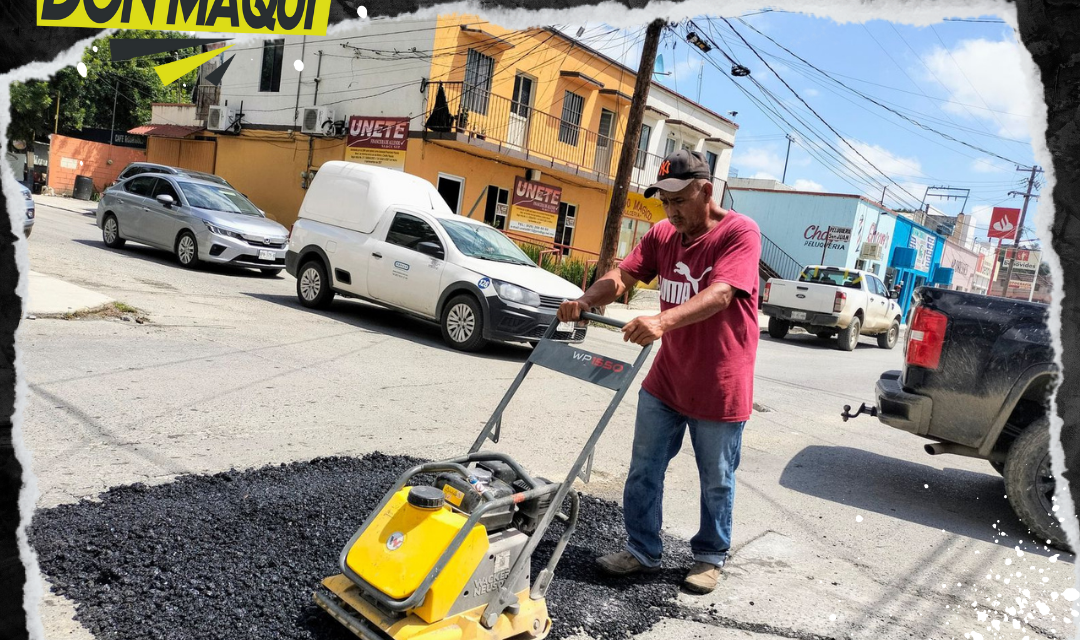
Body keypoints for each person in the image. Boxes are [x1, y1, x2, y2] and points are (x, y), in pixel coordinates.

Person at [557, 150, 762, 594]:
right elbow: (624, 276)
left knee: (716, 480)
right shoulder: (663, 234)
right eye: (664, 202)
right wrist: (587, 301)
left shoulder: (740, 233)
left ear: (706, 191)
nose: (670, 212)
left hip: (719, 385)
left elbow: (723, 293)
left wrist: (661, 322)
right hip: (667, 380)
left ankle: (709, 556)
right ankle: (643, 549)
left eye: (679, 200)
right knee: (644, 469)